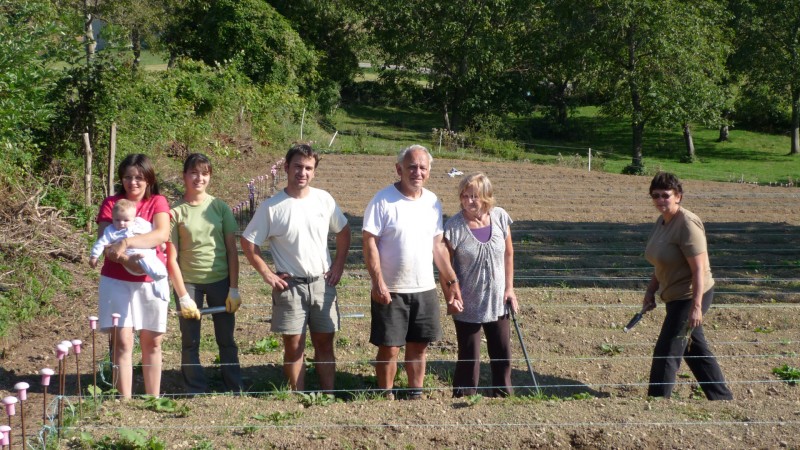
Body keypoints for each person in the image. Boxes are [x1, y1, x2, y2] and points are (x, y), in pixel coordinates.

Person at [241, 143, 350, 392]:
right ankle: (297, 396)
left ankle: (328, 395)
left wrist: (339, 265)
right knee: (294, 345)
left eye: (308, 168)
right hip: (290, 286)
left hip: (323, 283)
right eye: (298, 166)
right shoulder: (272, 206)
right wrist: (267, 274)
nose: (303, 172)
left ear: (314, 171)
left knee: (325, 342)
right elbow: (248, 242)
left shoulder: (324, 200)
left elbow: (343, 231)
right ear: (287, 168)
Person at [363, 144, 463, 400]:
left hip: (424, 288)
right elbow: (369, 242)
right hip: (392, 289)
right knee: (390, 347)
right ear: (399, 169)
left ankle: (415, 392)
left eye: (422, 167)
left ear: (429, 171)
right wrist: (378, 282)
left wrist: (451, 281)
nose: (417, 172)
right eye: (411, 167)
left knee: (419, 346)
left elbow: (438, 246)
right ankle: (385, 393)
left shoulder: (432, 202)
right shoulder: (382, 200)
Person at [642, 172, 733, 400]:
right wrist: (651, 290)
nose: (661, 200)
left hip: (691, 294)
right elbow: (661, 263)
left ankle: (657, 400)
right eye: (656, 196)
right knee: (693, 348)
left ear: (678, 196)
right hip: (673, 295)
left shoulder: (687, 223)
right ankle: (721, 397)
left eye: (666, 195)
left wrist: (696, 306)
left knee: (668, 349)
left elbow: (698, 269)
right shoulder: (662, 221)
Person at [167, 153, 243, 395]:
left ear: (210, 177)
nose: (199, 178)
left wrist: (234, 287)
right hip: (189, 283)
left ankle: (233, 383)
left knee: (226, 338)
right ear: (184, 176)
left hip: (220, 281)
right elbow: (171, 257)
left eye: (205, 173)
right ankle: (194, 386)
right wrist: (182, 296)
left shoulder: (219, 208)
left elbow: (232, 250)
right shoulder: (174, 213)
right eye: (194, 173)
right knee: (190, 340)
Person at [96, 153, 170, 399]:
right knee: (123, 342)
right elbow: (106, 246)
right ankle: (124, 400)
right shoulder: (111, 204)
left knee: (153, 342)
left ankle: (153, 398)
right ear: (121, 179)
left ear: (149, 179)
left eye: (139, 177)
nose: (133, 183)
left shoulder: (158, 202)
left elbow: (160, 235)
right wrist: (128, 260)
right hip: (117, 282)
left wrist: (126, 243)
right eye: (128, 177)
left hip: (150, 282)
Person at [443, 173, 516, 397]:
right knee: (468, 355)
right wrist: (450, 298)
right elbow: (445, 267)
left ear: (486, 196)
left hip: (498, 299)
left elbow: (509, 254)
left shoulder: (501, 217)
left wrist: (510, 288)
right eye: (465, 196)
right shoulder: (454, 226)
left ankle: (503, 394)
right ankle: (464, 396)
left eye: (474, 196)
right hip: (468, 302)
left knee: (502, 352)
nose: (468, 201)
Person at [89, 199, 169, 301]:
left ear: (133, 219)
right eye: (117, 220)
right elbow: (101, 243)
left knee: (157, 264)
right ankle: (157, 276)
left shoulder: (140, 224)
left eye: (126, 220)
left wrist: (161, 243)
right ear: (112, 218)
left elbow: (153, 233)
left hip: (146, 250)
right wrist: (94, 256)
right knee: (142, 259)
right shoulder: (111, 230)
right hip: (129, 255)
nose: (121, 223)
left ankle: (161, 282)